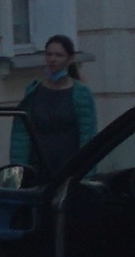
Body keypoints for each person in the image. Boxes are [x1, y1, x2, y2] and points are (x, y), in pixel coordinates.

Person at [8, 33, 96, 179]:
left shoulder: (81, 94)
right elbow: (21, 136)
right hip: (37, 172)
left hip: (68, 172)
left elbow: (88, 137)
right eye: (49, 55)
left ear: (70, 59)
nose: (53, 60)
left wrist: (85, 175)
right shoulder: (34, 90)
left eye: (59, 55)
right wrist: (17, 172)